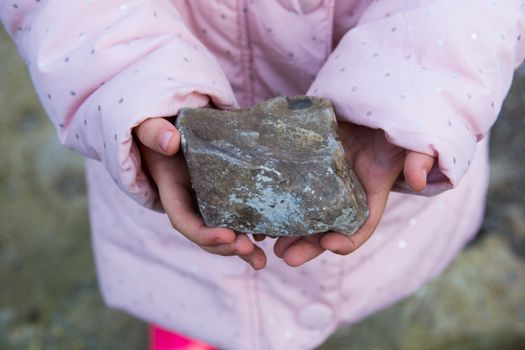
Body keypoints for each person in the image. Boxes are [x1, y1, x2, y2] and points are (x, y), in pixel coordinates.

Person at [1, 1, 524, 349]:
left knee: (363, 275)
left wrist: (415, 89)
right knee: (186, 294)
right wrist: (128, 81)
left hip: (388, 135)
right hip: (160, 134)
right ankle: (185, 331)